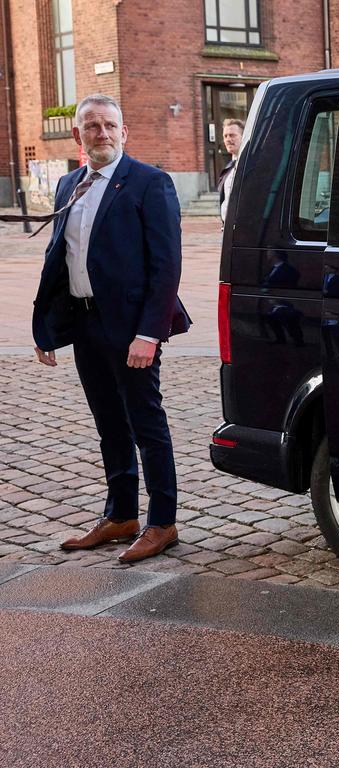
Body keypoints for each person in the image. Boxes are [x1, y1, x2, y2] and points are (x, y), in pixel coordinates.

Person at [31, 94, 190, 563]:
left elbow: (166, 267)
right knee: (108, 424)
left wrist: (149, 333)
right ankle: (121, 514)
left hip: (131, 327)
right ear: (77, 135)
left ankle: (163, 521)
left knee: (147, 424)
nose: (101, 133)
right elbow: (57, 261)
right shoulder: (68, 186)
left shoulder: (149, 183)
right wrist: (46, 328)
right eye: (92, 126)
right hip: (84, 322)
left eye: (109, 125)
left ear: (124, 133)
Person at [218, 118, 244, 224]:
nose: (228, 139)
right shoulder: (228, 168)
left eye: (232, 135)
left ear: (243, 137)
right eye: (225, 136)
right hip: (227, 230)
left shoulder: (251, 165)